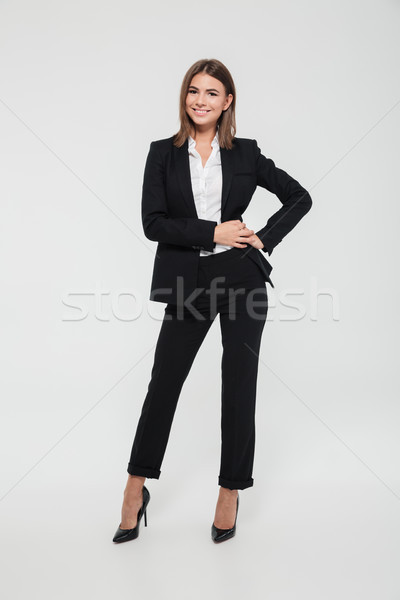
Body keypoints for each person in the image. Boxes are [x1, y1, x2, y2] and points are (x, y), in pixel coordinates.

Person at [113, 58, 312, 544]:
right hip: (188, 278)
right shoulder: (162, 153)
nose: (200, 100)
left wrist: (263, 237)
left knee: (239, 385)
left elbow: (299, 197)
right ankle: (135, 488)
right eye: (193, 91)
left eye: (211, 93)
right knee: (165, 382)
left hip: (241, 276)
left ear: (228, 102)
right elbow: (153, 222)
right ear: (186, 98)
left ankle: (230, 489)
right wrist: (213, 232)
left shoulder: (245, 154)